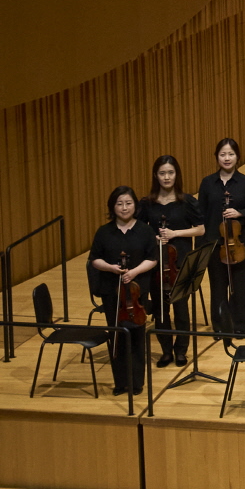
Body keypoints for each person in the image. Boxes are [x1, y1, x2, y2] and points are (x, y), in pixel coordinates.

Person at [87, 183, 158, 397]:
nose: (124, 208)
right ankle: (120, 382)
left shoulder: (145, 230)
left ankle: (136, 382)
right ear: (113, 206)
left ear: (135, 205)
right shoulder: (104, 232)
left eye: (128, 203)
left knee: (137, 335)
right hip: (112, 291)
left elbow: (153, 259)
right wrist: (111, 268)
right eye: (119, 204)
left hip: (137, 291)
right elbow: (94, 259)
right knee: (116, 335)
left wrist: (134, 272)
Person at [140, 153, 205, 366]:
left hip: (181, 263)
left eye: (170, 173)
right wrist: (154, 237)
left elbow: (201, 229)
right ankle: (166, 350)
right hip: (157, 264)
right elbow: (139, 230)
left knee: (181, 309)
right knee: (160, 310)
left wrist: (175, 233)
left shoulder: (187, 201)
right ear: (155, 176)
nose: (167, 177)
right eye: (162, 173)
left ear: (177, 174)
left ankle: (181, 350)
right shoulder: (147, 204)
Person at [197, 136, 245, 338]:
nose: (227, 158)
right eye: (222, 154)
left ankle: (240, 324)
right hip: (215, 243)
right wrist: (202, 246)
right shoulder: (207, 183)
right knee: (218, 286)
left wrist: (240, 213)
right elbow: (201, 214)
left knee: (239, 285)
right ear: (216, 157)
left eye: (231, 154)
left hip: (239, 243)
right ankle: (220, 326)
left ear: (237, 157)